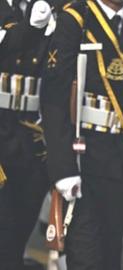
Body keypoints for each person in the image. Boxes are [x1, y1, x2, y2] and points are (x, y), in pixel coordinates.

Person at [40, 0, 123, 268]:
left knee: (112, 249)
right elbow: (54, 99)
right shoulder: (75, 19)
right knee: (86, 253)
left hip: (122, 157)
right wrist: (62, 167)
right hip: (84, 155)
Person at [0, 0, 53, 269]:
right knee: (4, 232)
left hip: (35, 138)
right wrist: (33, 25)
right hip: (2, 133)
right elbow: (9, 42)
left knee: (20, 228)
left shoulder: (55, 9)